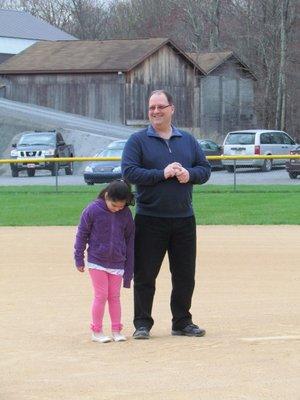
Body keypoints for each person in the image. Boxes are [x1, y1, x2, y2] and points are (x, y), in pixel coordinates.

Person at [121, 89, 211, 339]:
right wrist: (163, 173)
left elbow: (205, 169)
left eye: (161, 106)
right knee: (145, 273)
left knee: (184, 275)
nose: (156, 111)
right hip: (150, 218)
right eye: (152, 107)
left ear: (172, 108)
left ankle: (182, 321)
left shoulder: (188, 140)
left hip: (183, 219)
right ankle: (142, 323)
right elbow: (129, 173)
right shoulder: (137, 140)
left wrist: (189, 174)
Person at [74, 180, 135, 343]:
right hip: (97, 261)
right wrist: (78, 257)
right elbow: (82, 234)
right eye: (114, 205)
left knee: (114, 296)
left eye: (121, 207)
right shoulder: (92, 210)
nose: (117, 209)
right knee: (101, 295)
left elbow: (130, 241)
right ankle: (97, 331)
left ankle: (116, 330)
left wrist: (129, 271)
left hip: (117, 262)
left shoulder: (126, 214)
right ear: (107, 196)